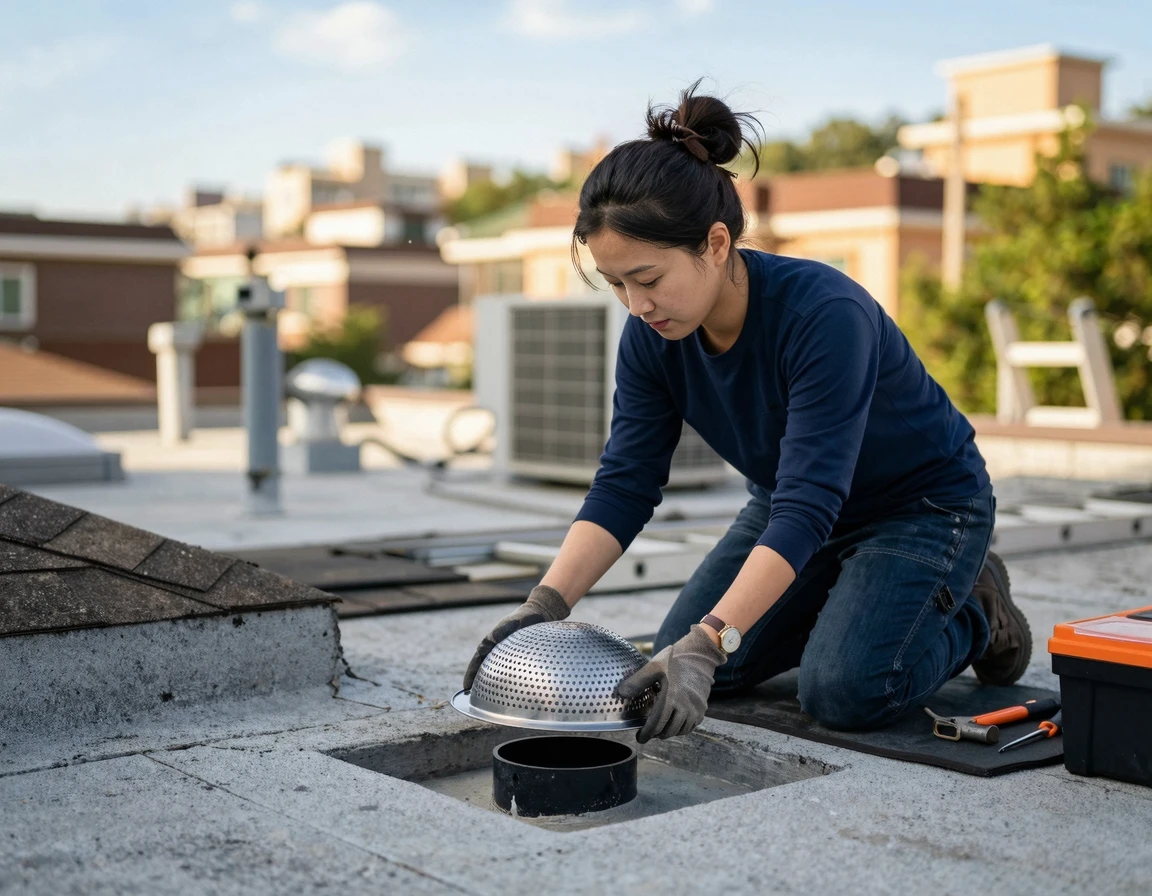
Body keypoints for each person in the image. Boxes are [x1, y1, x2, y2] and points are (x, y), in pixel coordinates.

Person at [463, 81, 1032, 745]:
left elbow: (809, 502)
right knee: (676, 667)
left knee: (843, 688)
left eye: (647, 278)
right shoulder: (651, 338)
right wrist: (543, 606)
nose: (635, 304)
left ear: (715, 243)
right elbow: (625, 484)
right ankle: (853, 599)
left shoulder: (823, 316)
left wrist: (713, 638)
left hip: (924, 507)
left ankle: (979, 612)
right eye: (615, 284)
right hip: (792, 506)